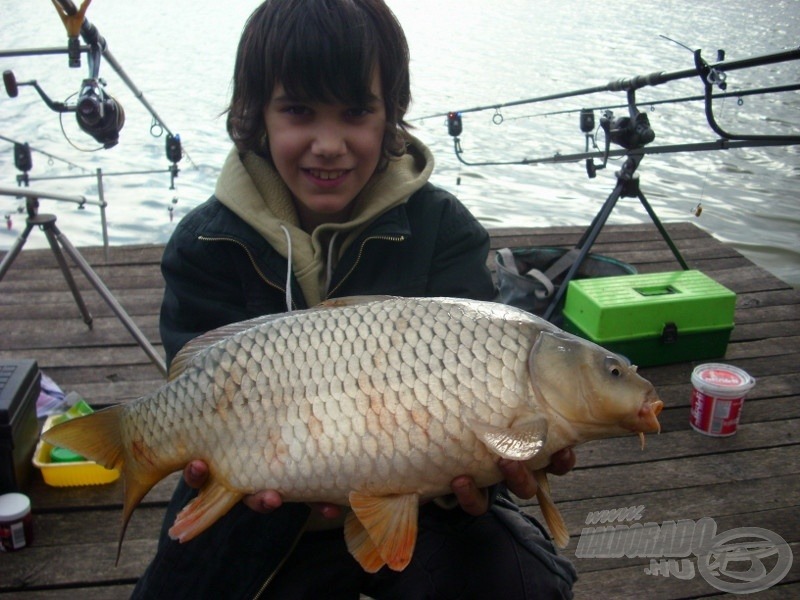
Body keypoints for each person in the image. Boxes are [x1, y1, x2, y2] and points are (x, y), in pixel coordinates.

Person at [132, 0, 578, 598]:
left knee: (525, 589)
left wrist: (501, 472)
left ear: (389, 115)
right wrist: (209, 465)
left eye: (355, 112)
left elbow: (488, 408)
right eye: (298, 111)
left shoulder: (443, 229)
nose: (329, 144)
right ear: (256, 114)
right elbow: (195, 378)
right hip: (255, 515)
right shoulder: (206, 242)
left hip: (426, 508)